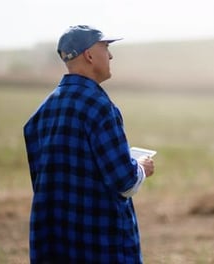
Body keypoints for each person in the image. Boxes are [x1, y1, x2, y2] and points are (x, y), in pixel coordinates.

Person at [23, 25, 155, 263]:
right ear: (89, 55)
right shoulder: (100, 107)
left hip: (55, 241)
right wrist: (141, 167)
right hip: (99, 242)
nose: (111, 55)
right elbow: (124, 181)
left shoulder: (42, 112)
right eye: (106, 47)